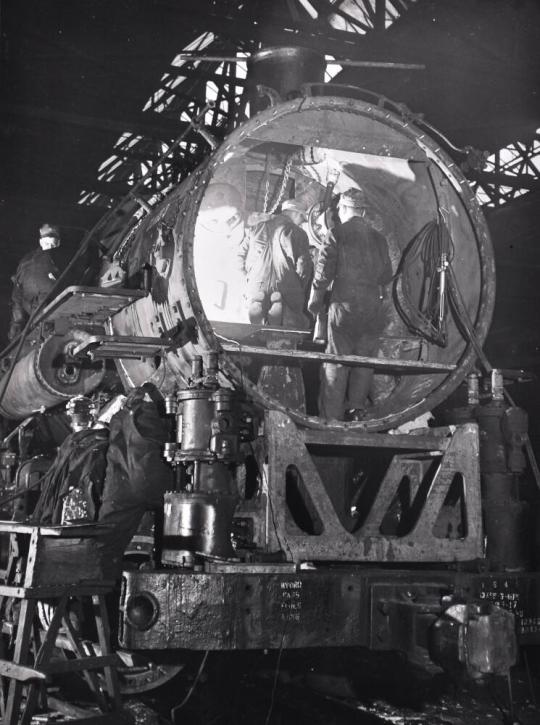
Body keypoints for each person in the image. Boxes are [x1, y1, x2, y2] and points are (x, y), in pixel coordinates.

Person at [307, 187, 393, 421]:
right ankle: (356, 411)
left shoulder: (336, 233)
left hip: (343, 307)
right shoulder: (379, 239)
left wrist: (315, 305)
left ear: (344, 209)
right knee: (364, 363)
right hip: (372, 308)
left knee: (336, 362)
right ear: (363, 212)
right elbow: (387, 276)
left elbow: (322, 275)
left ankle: (331, 419)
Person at [239, 198, 312, 328]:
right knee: (293, 321)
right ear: (295, 213)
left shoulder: (256, 228)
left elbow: (240, 256)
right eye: (302, 218)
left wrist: (246, 277)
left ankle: (258, 306)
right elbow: (303, 266)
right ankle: (277, 310)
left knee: (253, 321)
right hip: (286, 285)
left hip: (256, 283)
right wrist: (299, 286)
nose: (301, 223)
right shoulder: (299, 233)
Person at [8, 223, 61, 340]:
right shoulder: (27, 261)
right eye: (47, 235)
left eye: (53, 235)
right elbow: (17, 295)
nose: (50, 240)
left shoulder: (62, 257)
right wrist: (17, 323)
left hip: (48, 312)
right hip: (42, 314)